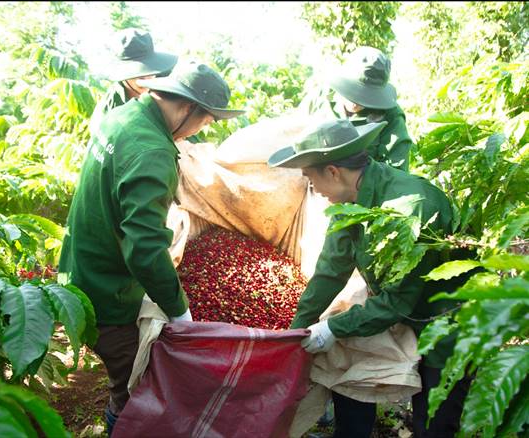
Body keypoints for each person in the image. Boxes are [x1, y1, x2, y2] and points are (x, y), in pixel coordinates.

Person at [59, 61, 244, 436]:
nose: (200, 130)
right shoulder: (152, 150)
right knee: (137, 393)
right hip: (108, 294)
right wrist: (179, 311)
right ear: (186, 107)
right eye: (205, 121)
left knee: (127, 384)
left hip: (80, 270)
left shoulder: (122, 116)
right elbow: (145, 250)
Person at [268, 119, 473, 438]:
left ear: (333, 172)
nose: (314, 190)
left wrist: (332, 328)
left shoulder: (411, 207)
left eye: (311, 179)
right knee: (347, 367)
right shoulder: (348, 203)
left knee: (434, 422)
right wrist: (297, 330)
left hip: (446, 321)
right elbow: (330, 271)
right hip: (400, 311)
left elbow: (397, 302)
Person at [301, 46, 413, 171]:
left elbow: (396, 171)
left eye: (366, 96)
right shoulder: (319, 98)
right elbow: (295, 143)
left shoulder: (391, 115)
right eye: (353, 91)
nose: (356, 103)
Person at [88, 28, 178, 134]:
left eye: (151, 71)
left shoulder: (165, 88)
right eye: (140, 76)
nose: (147, 79)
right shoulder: (109, 110)